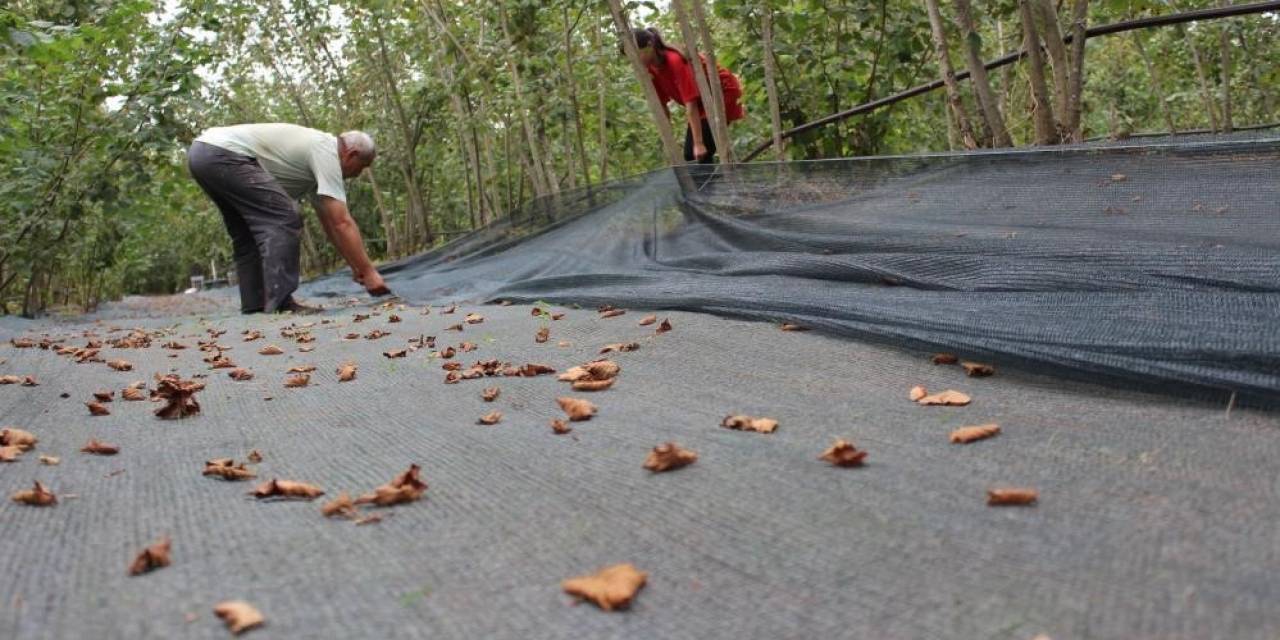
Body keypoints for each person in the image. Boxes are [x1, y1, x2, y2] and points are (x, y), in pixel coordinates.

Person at [187, 123, 390, 315]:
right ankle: (280, 302)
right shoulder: (326, 151)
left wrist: (356, 266)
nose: (358, 174)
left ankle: (255, 305)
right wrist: (369, 271)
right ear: (351, 155)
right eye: (362, 167)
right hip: (222, 153)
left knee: (248, 233)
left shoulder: (316, 165)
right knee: (284, 216)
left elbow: (331, 224)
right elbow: (342, 222)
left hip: (202, 154)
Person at [630, 27, 744, 164]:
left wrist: (699, 143)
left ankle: (714, 183)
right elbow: (662, 106)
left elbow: (691, 103)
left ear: (650, 45)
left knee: (695, 153)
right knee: (693, 155)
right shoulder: (649, 69)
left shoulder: (675, 60)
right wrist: (668, 140)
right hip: (701, 103)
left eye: (637, 54)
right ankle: (711, 183)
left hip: (722, 93)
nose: (634, 60)